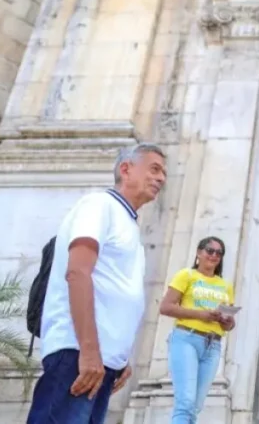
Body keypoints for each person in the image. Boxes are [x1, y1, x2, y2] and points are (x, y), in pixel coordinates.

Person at [26, 143, 167, 424]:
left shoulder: (128, 224)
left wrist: (120, 357)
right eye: (154, 169)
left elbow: (115, 291)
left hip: (102, 362)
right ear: (125, 169)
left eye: (163, 173)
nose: (161, 178)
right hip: (77, 354)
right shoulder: (99, 206)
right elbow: (78, 272)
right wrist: (89, 351)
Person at [159, 236, 237, 424]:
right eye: (210, 250)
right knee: (185, 402)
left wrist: (226, 320)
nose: (214, 255)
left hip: (213, 345)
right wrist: (201, 315)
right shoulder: (186, 275)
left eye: (219, 253)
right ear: (198, 253)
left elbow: (230, 325)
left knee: (195, 406)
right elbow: (165, 307)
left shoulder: (225, 285)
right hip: (187, 338)